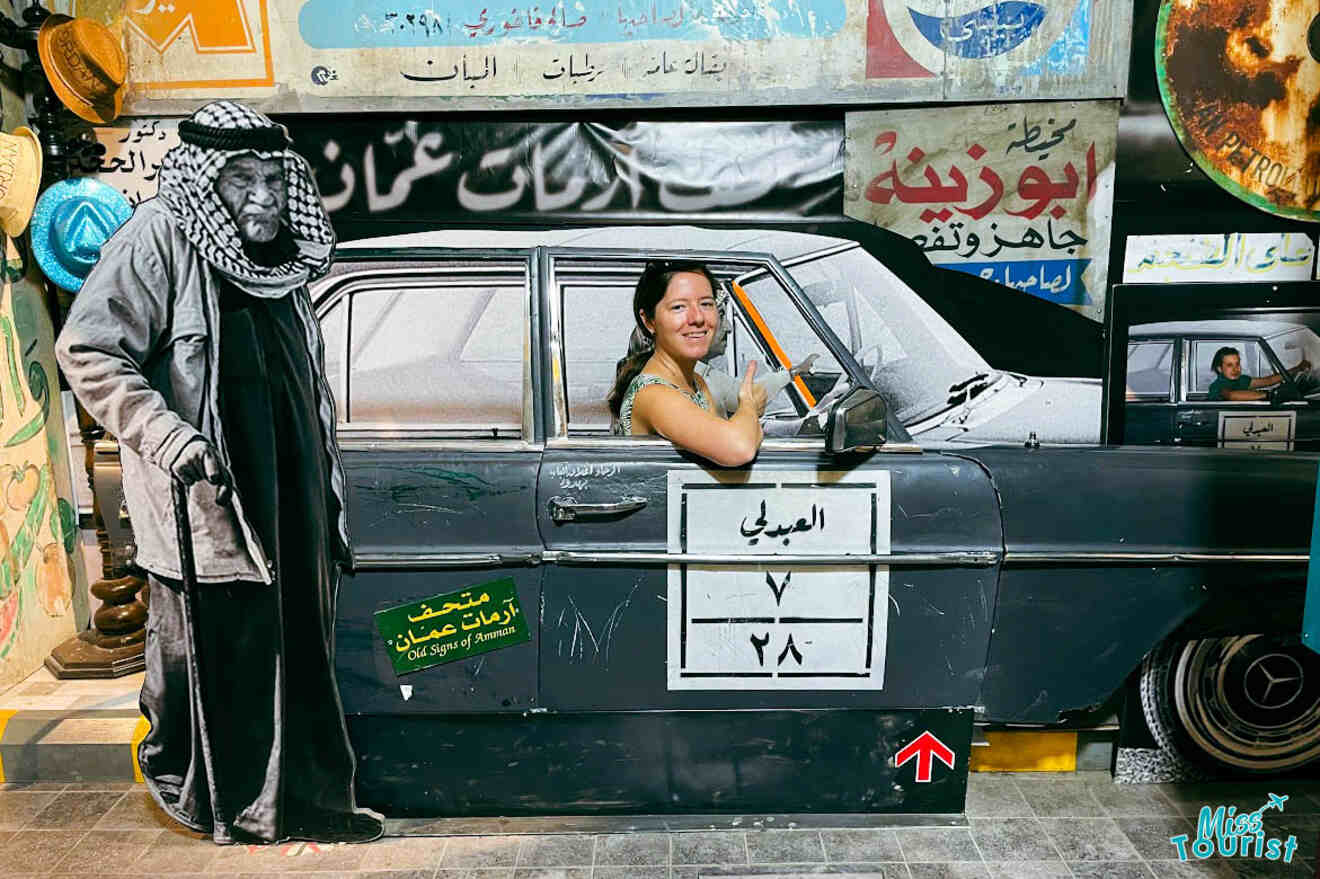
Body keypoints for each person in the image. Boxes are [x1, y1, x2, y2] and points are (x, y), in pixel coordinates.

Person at [55, 101, 383, 845]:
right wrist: (169, 436)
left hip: (290, 476)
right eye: (242, 179)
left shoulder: (286, 254)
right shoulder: (158, 236)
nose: (263, 196)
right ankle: (232, 804)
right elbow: (88, 350)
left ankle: (308, 799)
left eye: (273, 177)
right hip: (211, 490)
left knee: (296, 635)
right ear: (208, 179)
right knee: (227, 646)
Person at [608, 261, 768, 465]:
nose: (698, 318)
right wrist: (748, 404)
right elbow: (740, 448)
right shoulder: (653, 394)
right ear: (649, 321)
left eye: (706, 304)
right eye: (678, 307)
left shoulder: (696, 382)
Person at [1207, 346, 1311, 401]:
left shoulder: (1241, 379)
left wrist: (1297, 369)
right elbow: (1231, 395)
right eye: (1229, 365)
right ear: (1220, 369)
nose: (1235, 369)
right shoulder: (1217, 386)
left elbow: (1269, 381)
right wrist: (1270, 395)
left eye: (1237, 364)